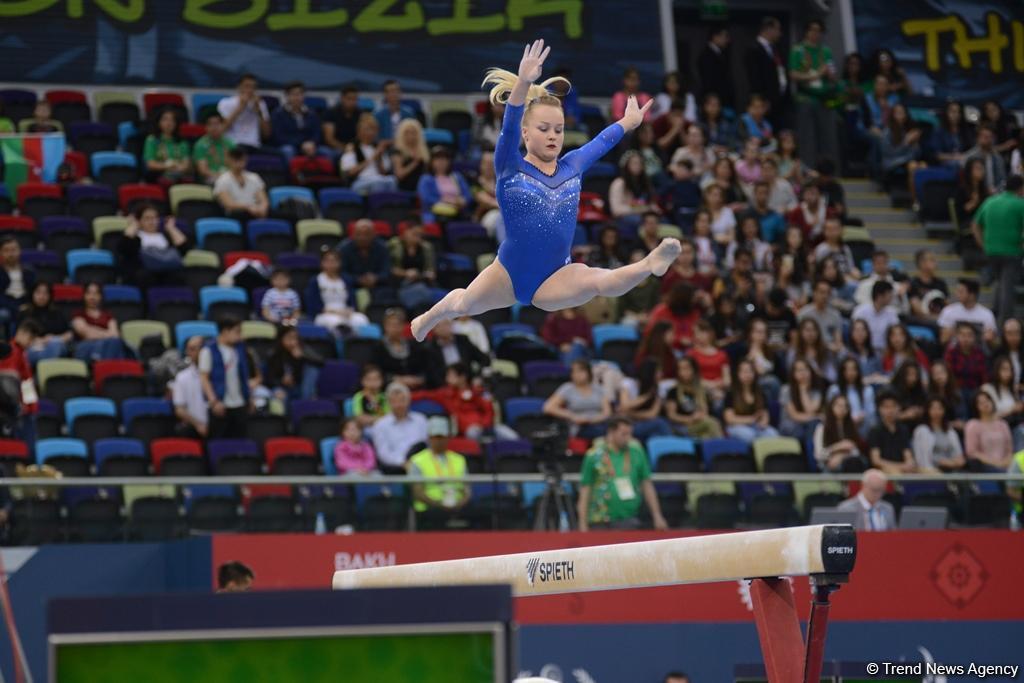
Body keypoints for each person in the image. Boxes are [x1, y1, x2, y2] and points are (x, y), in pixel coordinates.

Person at [411, 40, 680, 341]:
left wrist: (628, 123)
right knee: (465, 303)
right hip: (508, 274)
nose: (553, 136)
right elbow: (509, 124)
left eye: (559, 129)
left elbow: (602, 142)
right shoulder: (509, 165)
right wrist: (524, 82)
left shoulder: (572, 165)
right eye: (543, 129)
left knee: (597, 281)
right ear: (526, 133)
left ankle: (649, 265)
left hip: (555, 275)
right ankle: (429, 317)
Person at [577, 417, 668, 531]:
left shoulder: (637, 452)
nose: (628, 438)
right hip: (599, 519)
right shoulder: (594, 455)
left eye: (630, 434)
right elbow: (585, 489)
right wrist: (582, 522)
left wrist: (657, 516)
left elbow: (647, 485)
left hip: (628, 518)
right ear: (611, 432)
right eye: (624, 434)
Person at [411, 363, 513, 440]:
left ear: (462, 377)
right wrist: (405, 396)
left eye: (451, 375)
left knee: (509, 435)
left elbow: (488, 410)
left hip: (487, 427)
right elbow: (425, 394)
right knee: (473, 433)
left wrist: (485, 425)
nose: (447, 379)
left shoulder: (477, 392)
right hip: (467, 432)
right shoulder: (445, 394)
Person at [971, 175, 1024, 323]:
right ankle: (1004, 323)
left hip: (991, 251)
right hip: (1012, 251)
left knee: (1001, 283)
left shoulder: (990, 201)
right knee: (1007, 288)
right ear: (1020, 188)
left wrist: (983, 244)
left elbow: (975, 224)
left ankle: (994, 313)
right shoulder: (1020, 204)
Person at [788, 19, 838, 167]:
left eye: (818, 31)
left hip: (824, 98)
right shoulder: (797, 50)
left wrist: (830, 74)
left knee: (828, 137)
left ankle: (829, 170)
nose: (815, 34)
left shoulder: (826, 51)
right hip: (806, 98)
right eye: (812, 30)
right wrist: (816, 75)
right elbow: (793, 74)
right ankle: (807, 169)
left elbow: (833, 74)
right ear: (806, 31)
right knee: (807, 137)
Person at [198, 316, 252, 440]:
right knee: (219, 440)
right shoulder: (208, 350)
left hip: (239, 402)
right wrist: (214, 401)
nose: (240, 336)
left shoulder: (240, 349)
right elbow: (204, 378)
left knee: (239, 440)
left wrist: (249, 396)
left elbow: (244, 375)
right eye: (237, 331)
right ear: (225, 331)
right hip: (220, 403)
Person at [407, 416, 471, 521]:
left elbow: (467, 490)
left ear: (448, 437)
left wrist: (460, 503)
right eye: (435, 437)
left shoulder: (459, 459)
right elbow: (417, 492)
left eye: (442, 437)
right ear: (429, 437)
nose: (439, 441)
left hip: (458, 508)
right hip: (428, 511)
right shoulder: (417, 460)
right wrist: (440, 505)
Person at [118, 202, 189, 289]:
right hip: (146, 273)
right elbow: (124, 247)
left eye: (155, 218)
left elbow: (184, 249)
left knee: (179, 275)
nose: (152, 222)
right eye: (147, 218)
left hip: (167, 271)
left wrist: (171, 228)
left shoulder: (165, 237)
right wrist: (133, 225)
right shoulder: (137, 237)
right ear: (139, 220)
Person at [304, 248, 370, 333]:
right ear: (322, 263)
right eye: (328, 261)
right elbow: (313, 304)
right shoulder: (316, 281)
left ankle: (359, 345)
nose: (331, 264)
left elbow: (352, 302)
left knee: (361, 319)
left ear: (339, 263)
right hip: (325, 314)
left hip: (344, 312)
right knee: (336, 323)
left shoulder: (346, 280)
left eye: (334, 261)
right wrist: (334, 312)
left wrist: (349, 310)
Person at [544, 359, 613, 439]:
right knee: (603, 433)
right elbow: (548, 407)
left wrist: (592, 420)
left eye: (580, 371)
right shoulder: (567, 388)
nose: (577, 374)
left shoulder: (598, 389)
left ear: (588, 372)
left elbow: (607, 412)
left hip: (599, 423)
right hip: (579, 427)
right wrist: (572, 416)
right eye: (574, 372)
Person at [371, 382, 428, 472]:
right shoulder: (380, 425)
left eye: (402, 400)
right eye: (394, 401)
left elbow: (426, 444)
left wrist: (415, 464)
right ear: (388, 403)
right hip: (395, 468)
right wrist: (403, 463)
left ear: (409, 400)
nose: (399, 405)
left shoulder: (421, 420)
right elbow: (383, 453)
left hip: (421, 464)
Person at [744, 16, 788, 129]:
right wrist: (762, 100)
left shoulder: (775, 48)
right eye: (777, 29)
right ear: (769, 29)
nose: (780, 33)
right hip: (764, 101)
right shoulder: (753, 48)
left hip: (778, 98)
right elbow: (754, 77)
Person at [665, 355, 723, 438]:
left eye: (687, 368)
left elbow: (707, 412)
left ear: (694, 370)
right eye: (681, 369)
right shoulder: (673, 391)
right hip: (682, 427)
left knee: (706, 435)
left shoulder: (702, 390)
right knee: (712, 423)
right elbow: (671, 415)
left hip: (701, 425)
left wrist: (700, 416)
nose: (684, 372)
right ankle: (722, 448)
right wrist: (690, 418)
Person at [421, 319, 488, 388]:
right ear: (434, 329)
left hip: (468, 382)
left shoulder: (463, 340)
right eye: (439, 326)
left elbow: (485, 359)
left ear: (452, 325)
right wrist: (449, 381)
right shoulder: (429, 348)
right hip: (444, 387)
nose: (444, 328)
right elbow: (431, 374)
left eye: (446, 324)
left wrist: (477, 376)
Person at [616, 359, 673, 441]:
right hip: (627, 424)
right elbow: (625, 405)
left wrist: (630, 413)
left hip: (645, 423)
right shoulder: (628, 383)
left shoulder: (659, 388)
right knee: (660, 423)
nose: (661, 374)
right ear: (650, 372)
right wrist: (646, 396)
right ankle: (674, 450)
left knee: (655, 435)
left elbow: (652, 414)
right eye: (658, 372)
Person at [724, 359, 779, 442]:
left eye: (750, 371)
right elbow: (730, 419)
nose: (748, 375)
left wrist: (763, 423)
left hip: (756, 425)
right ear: (738, 374)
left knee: (773, 434)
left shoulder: (760, 392)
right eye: (744, 372)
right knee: (749, 435)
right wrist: (751, 419)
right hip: (737, 426)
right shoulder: (731, 394)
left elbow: (765, 413)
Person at [341, 113, 397, 194]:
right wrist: (372, 158)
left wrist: (379, 158)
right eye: (367, 129)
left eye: (373, 129)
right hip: (359, 181)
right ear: (359, 131)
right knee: (378, 183)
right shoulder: (352, 147)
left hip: (378, 178)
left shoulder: (378, 148)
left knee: (392, 180)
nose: (370, 133)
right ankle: (378, 205)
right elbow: (350, 172)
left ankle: (392, 205)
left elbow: (384, 173)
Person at [388, 222, 438, 312]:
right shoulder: (395, 245)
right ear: (405, 232)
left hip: (421, 281)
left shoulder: (426, 247)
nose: (417, 237)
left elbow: (431, 268)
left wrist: (429, 273)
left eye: (420, 235)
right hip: (401, 282)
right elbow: (389, 268)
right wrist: (405, 273)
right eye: (414, 234)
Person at [264, 325, 322, 402]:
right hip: (280, 387)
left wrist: (303, 357)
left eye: (295, 338)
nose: (293, 342)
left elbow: (321, 362)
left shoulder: (302, 349)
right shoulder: (274, 354)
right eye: (289, 338)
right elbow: (269, 379)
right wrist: (281, 381)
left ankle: (306, 404)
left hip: (299, 386)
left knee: (312, 368)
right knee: (279, 394)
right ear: (281, 339)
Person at [70, 282, 125, 361]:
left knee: (116, 343)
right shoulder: (78, 314)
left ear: (100, 296)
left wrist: (93, 330)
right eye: (89, 293)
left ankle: (104, 366)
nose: (92, 297)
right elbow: (88, 334)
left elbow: (115, 335)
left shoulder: (108, 316)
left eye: (96, 294)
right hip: (85, 348)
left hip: (108, 347)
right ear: (84, 296)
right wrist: (107, 334)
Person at [17, 282, 71, 362]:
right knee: (29, 353)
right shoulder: (25, 313)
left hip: (56, 345)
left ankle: (44, 368)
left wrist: (54, 339)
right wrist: (39, 341)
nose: (42, 296)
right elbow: (19, 337)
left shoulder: (57, 312)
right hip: (33, 346)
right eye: (38, 292)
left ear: (50, 296)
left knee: (55, 344)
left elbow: (69, 334)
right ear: (32, 294)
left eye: (45, 293)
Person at [417, 146, 472, 223]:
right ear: (431, 162)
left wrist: (463, 201)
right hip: (437, 212)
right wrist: (446, 201)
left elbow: (468, 195)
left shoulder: (457, 177)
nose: (441, 162)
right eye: (438, 159)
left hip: (458, 209)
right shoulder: (426, 179)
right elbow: (426, 198)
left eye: (444, 159)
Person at [866, 392, 917, 475]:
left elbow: (907, 454)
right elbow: (876, 460)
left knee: (926, 473)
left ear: (899, 408)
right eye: (886, 407)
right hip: (883, 470)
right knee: (895, 473)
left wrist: (909, 464)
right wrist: (901, 466)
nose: (890, 410)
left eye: (893, 406)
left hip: (903, 468)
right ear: (879, 409)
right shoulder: (875, 430)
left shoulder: (903, 429)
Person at [375, 308, 426, 388]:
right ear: (385, 326)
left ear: (403, 326)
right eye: (391, 325)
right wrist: (398, 379)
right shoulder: (378, 347)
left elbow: (422, 367)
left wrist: (417, 379)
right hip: (390, 389)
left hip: (415, 387)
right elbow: (377, 372)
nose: (395, 328)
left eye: (398, 324)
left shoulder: (413, 345)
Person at [964, 389, 1013, 472]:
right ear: (976, 407)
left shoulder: (1002, 424)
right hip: (984, 468)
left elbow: (1009, 449)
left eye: (987, 400)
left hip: (1005, 466)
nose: (986, 404)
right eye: (981, 403)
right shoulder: (973, 425)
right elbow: (972, 452)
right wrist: (995, 463)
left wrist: (1005, 462)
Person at [213, 148, 269, 221]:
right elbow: (228, 204)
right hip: (236, 214)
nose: (239, 163)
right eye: (236, 160)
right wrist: (248, 207)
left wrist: (263, 208)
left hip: (255, 210)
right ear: (229, 160)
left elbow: (263, 199)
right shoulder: (222, 180)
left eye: (241, 160)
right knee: (242, 215)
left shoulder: (254, 177)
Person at [217, 73, 271, 149]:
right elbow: (221, 130)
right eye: (247, 86)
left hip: (254, 145)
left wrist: (259, 112)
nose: (250, 90)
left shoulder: (260, 104)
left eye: (253, 87)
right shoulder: (225, 103)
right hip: (233, 144)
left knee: (280, 155)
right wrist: (240, 108)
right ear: (239, 87)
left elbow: (267, 134)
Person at [936, 278, 997, 345]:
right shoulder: (948, 311)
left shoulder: (987, 314)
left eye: (961, 291)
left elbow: (992, 342)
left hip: (978, 352)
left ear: (972, 295)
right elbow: (942, 340)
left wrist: (989, 339)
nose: (956, 294)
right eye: (957, 291)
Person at [271, 81, 322, 160]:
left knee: (326, 152)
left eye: (300, 94)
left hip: (310, 145)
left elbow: (317, 133)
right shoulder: (278, 114)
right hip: (289, 145)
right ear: (287, 96)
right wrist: (301, 145)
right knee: (288, 150)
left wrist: (312, 143)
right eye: (293, 94)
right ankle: (291, 172)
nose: (297, 97)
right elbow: (279, 137)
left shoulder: (312, 113)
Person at [340, 218, 392, 294]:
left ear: (374, 234)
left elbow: (386, 271)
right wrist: (358, 279)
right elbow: (341, 272)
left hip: (378, 286)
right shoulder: (344, 248)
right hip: (352, 287)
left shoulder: (382, 247)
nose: (362, 238)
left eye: (366, 234)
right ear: (353, 235)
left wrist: (376, 278)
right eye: (359, 234)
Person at [814, 394, 865, 472]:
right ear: (831, 407)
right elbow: (819, 454)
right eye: (839, 405)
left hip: (849, 462)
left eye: (845, 406)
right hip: (828, 464)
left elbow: (856, 452)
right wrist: (837, 447)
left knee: (856, 463)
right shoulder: (822, 428)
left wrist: (841, 456)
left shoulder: (851, 428)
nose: (842, 409)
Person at [170, 335, 208, 438]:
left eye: (193, 349)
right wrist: (198, 424)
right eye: (188, 349)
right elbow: (179, 409)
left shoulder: (218, 374)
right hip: (194, 428)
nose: (189, 353)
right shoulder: (182, 377)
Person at [913, 397, 965, 472]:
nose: (936, 412)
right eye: (933, 409)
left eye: (939, 408)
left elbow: (959, 455)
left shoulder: (951, 431)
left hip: (953, 468)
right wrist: (943, 462)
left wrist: (955, 462)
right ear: (928, 411)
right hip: (932, 470)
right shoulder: (921, 431)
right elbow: (922, 457)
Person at [609, 151, 659, 227]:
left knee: (663, 220)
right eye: (634, 163)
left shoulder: (645, 183)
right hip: (626, 217)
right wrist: (643, 209)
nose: (638, 166)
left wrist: (653, 208)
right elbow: (616, 210)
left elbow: (650, 203)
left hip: (644, 215)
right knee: (641, 222)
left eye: (640, 163)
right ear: (626, 165)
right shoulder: (619, 183)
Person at [779, 358, 824, 442]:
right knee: (811, 427)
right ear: (793, 374)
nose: (803, 373)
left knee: (815, 426)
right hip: (790, 425)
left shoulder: (816, 391)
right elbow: (794, 416)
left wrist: (803, 392)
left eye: (806, 369)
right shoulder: (786, 389)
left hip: (808, 424)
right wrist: (802, 389)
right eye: (799, 370)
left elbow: (810, 410)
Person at [143, 109, 191, 184]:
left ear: (176, 123)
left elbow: (186, 164)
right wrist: (167, 166)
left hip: (179, 174)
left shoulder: (182, 142)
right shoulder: (152, 140)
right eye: (165, 119)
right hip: (159, 175)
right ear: (158, 122)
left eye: (172, 120)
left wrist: (178, 168)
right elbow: (150, 164)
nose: (169, 123)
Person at [852, 281, 901, 353]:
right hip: (863, 350)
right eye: (889, 294)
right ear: (880, 296)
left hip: (885, 351)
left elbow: (896, 332)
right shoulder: (860, 311)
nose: (891, 297)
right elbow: (853, 333)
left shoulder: (892, 313)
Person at [799, 280, 844, 354]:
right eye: (822, 292)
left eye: (827, 293)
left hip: (830, 350)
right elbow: (800, 340)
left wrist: (837, 347)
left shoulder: (835, 315)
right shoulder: (804, 314)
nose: (825, 296)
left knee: (843, 353)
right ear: (814, 293)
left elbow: (838, 341)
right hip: (809, 349)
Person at [0, 237, 35, 330]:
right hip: (6, 304)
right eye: (6, 250)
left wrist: (27, 305)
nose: (11, 254)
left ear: (19, 251)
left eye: (13, 250)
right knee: (4, 315)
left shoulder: (28, 271)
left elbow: (33, 291)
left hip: (24, 303)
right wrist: (15, 308)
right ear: (1, 253)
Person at [944, 322, 988, 392]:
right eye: (963, 335)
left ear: (974, 337)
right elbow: (949, 373)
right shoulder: (951, 353)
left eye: (969, 335)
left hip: (976, 389)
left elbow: (983, 375)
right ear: (957, 336)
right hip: (956, 389)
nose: (966, 338)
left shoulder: (979, 353)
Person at [193, 113, 235, 184]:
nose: (214, 127)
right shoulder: (200, 145)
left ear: (222, 125)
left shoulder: (230, 143)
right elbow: (203, 170)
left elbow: (235, 165)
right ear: (206, 127)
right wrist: (220, 176)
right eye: (210, 124)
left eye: (217, 124)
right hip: (211, 179)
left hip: (229, 178)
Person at [907, 249, 948, 324]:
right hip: (921, 321)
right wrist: (938, 318)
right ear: (922, 263)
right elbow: (918, 311)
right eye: (932, 260)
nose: (936, 263)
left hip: (939, 319)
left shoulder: (941, 283)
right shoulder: (913, 283)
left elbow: (946, 306)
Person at [697, 26, 734, 109]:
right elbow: (709, 81)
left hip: (724, 101)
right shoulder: (706, 56)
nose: (728, 40)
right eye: (725, 36)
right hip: (715, 101)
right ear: (715, 37)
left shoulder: (722, 54)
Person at [964, 124, 1007, 191]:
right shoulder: (970, 157)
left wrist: (997, 190)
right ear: (978, 138)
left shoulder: (998, 158)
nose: (987, 139)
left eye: (990, 137)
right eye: (984, 136)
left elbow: (1002, 180)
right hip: (976, 192)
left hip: (995, 194)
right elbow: (966, 180)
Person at [391, 118, 428, 193]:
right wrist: (414, 163)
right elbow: (399, 175)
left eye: (413, 133)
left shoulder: (423, 151)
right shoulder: (398, 151)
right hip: (405, 188)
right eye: (407, 133)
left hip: (422, 187)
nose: (410, 136)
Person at [322, 84, 362, 151]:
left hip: (354, 146)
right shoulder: (330, 113)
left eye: (355, 99)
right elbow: (329, 139)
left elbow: (362, 136)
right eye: (349, 99)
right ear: (342, 98)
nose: (352, 102)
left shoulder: (361, 114)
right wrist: (344, 148)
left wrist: (353, 147)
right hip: (333, 147)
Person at [748, 180, 786, 245]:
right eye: (760, 193)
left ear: (769, 195)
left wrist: (773, 248)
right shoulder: (747, 215)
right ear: (755, 194)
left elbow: (782, 240)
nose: (763, 196)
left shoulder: (776, 216)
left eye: (765, 193)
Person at [352, 364, 388, 431]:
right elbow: (360, 418)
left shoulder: (385, 397)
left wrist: (372, 419)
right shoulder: (359, 397)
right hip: (366, 428)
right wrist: (380, 419)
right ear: (362, 381)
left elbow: (389, 416)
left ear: (382, 381)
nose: (372, 382)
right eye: (368, 379)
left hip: (384, 427)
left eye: (376, 379)